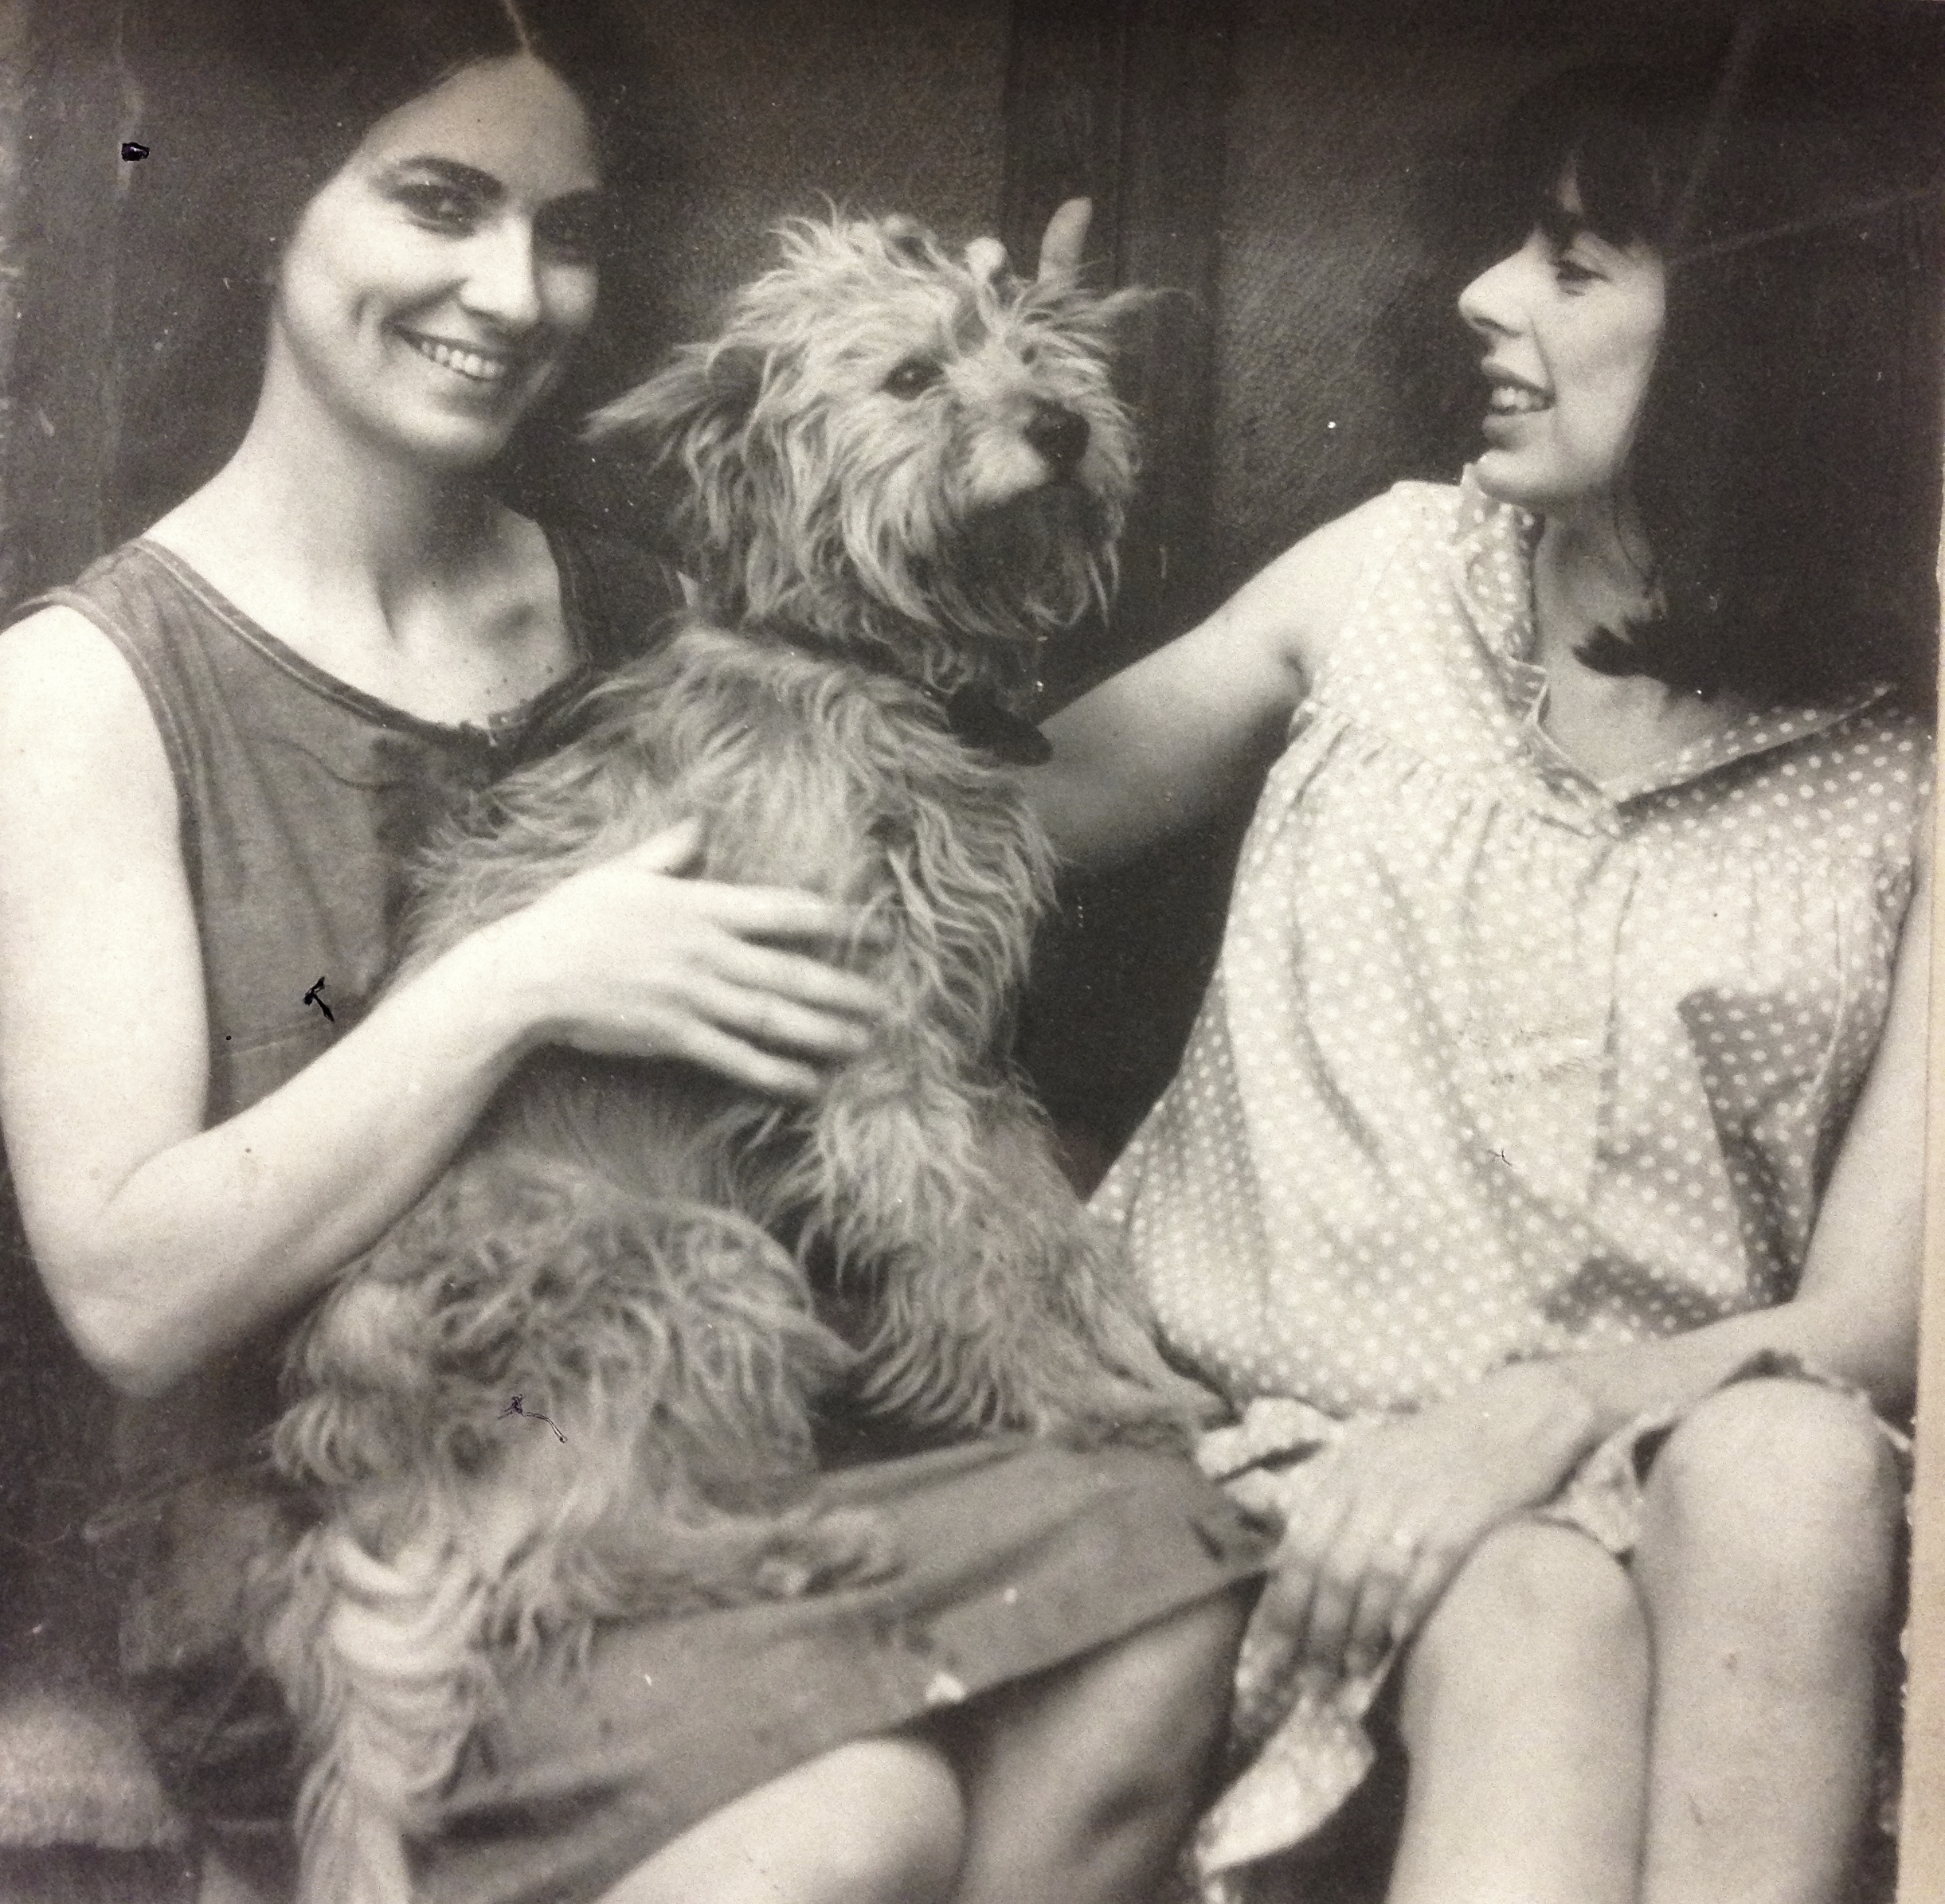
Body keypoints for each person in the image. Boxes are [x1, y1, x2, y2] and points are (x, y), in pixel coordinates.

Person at [0, 6, 1261, 1902]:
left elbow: (944, 826)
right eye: (439, 201)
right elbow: (127, 1292)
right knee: (864, 1821)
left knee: (1170, 1578)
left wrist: (1034, 428)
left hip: (691, 1452)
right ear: (268, 207)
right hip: (322, 1531)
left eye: (564, 230)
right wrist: (520, 980)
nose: (509, 288)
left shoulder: (640, 598)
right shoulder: (80, 688)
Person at [1028, 57, 1935, 1904]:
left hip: (1637, 1479)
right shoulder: (1385, 576)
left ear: (1764, 330)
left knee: (1755, 1482)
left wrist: (1529, 1414)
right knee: (1536, 1606)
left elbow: (1872, 1316)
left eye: (1579, 265)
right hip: (1241, 1448)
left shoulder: (1907, 756)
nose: (1486, 297)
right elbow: (976, 832)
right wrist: (976, 455)